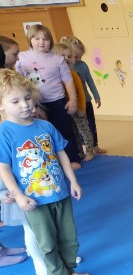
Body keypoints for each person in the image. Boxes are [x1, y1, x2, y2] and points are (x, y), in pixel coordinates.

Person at [0, 69, 90, 275]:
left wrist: (73, 181)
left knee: (69, 237)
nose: (25, 105)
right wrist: (18, 195)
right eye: (15, 101)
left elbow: (61, 154)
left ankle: (69, 269)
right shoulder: (5, 133)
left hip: (59, 192)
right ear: (1, 105)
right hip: (34, 200)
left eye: (27, 98)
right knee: (47, 241)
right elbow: (4, 168)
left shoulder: (45, 126)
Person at [14, 24, 83, 169]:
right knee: (40, 133)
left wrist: (73, 100)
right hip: (34, 103)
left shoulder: (57, 59)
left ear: (50, 41)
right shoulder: (22, 57)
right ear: (30, 40)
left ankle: (72, 158)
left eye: (45, 39)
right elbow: (18, 80)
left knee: (64, 130)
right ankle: (48, 160)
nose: (41, 42)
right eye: (37, 38)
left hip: (57, 101)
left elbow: (68, 80)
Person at [60, 36, 106, 156]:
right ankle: (83, 148)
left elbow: (90, 81)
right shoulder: (66, 68)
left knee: (91, 124)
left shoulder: (83, 65)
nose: (78, 59)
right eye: (76, 57)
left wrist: (96, 96)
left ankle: (94, 146)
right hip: (75, 104)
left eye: (81, 56)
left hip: (86, 101)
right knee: (79, 128)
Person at [53, 43, 95, 162]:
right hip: (66, 109)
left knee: (84, 130)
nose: (67, 58)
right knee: (73, 132)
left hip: (77, 109)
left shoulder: (72, 73)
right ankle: (79, 151)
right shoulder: (55, 76)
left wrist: (81, 108)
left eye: (69, 56)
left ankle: (90, 151)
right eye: (63, 55)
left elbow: (81, 93)